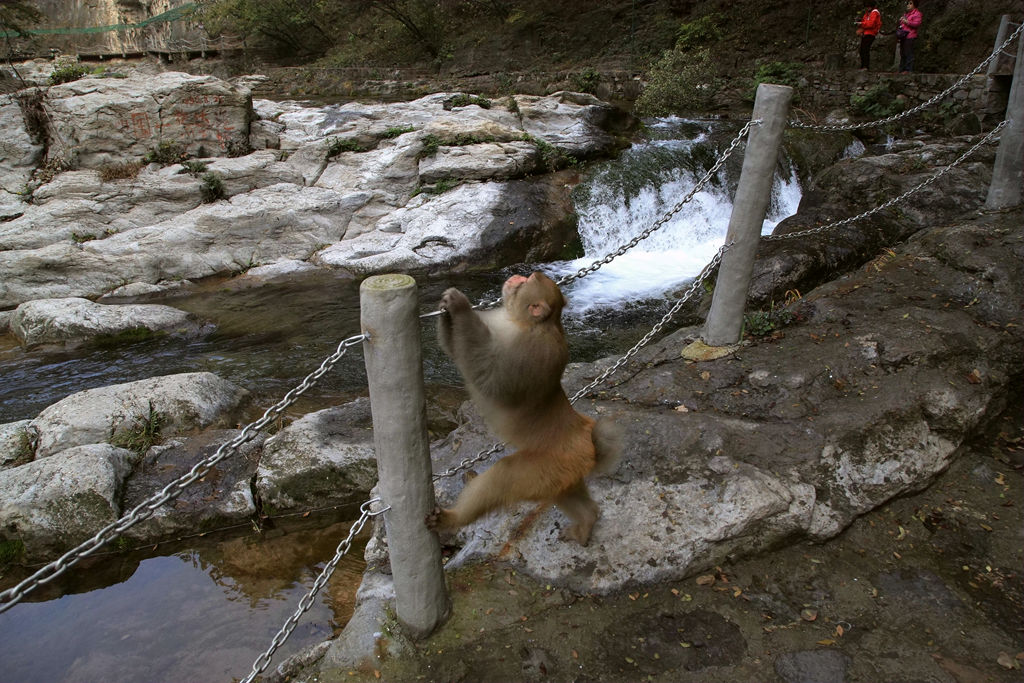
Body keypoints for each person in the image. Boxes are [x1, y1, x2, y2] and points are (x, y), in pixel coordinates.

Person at [898, 0, 923, 73]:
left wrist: (907, 22)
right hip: (903, 36)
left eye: (910, 3)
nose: (908, 5)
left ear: (914, 5)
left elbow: (916, 24)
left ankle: (908, 69)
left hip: (910, 35)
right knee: (902, 53)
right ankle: (901, 69)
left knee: (908, 53)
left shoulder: (917, 14)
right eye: (908, 3)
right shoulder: (906, 14)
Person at [856, 2, 882, 70]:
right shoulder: (867, 14)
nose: (867, 8)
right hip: (866, 33)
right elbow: (865, 23)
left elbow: (871, 24)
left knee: (865, 49)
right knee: (862, 49)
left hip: (871, 33)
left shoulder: (874, 12)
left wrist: (861, 24)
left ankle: (865, 66)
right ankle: (863, 65)